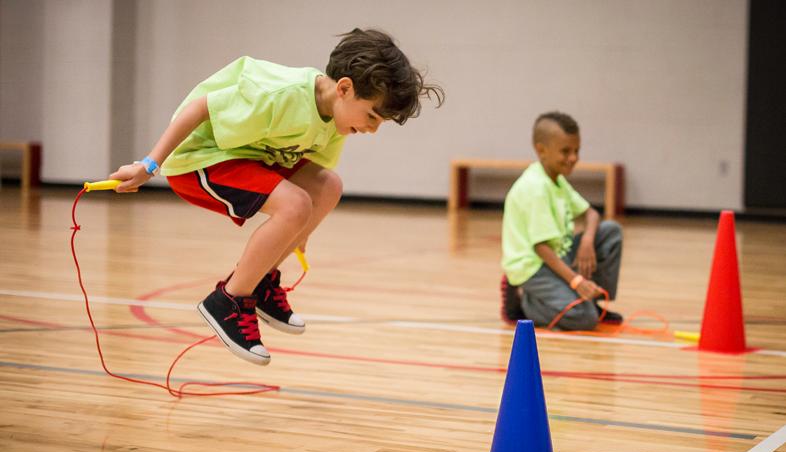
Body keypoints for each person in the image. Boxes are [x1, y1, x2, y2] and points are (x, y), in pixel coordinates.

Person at [109, 28, 444, 365]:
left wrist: (300, 232)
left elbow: (314, 182)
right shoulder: (281, 95)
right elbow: (199, 108)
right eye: (372, 115)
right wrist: (149, 165)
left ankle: (261, 281)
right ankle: (228, 299)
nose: (373, 128)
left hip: (246, 156)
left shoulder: (336, 121)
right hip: (198, 158)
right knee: (294, 204)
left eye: (381, 121)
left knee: (329, 187)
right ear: (344, 88)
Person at [500, 111, 622, 331]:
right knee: (585, 319)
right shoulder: (535, 188)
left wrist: (587, 240)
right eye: (566, 151)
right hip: (534, 267)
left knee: (610, 231)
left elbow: (592, 214)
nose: (573, 157)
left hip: (558, 256)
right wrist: (576, 281)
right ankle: (522, 299)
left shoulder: (556, 179)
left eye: (577, 150)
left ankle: (594, 301)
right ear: (541, 150)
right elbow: (542, 248)